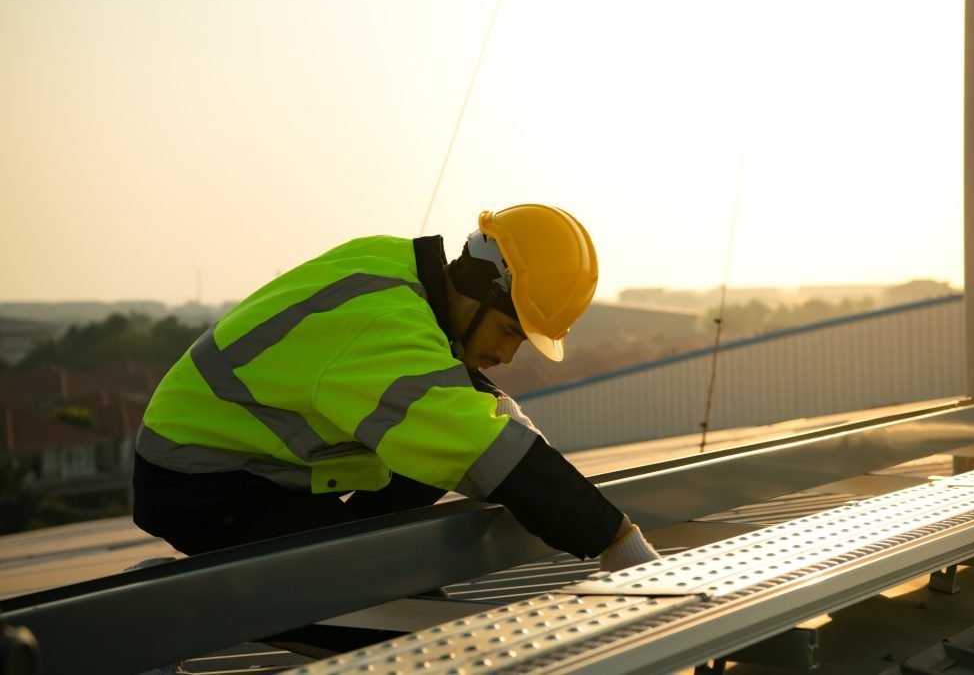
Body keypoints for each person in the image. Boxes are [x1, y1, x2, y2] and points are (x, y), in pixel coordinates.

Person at [132, 204, 659, 573]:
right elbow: (485, 448)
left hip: (240, 455)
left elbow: (480, 415)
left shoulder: (395, 264)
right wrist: (617, 542)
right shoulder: (387, 331)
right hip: (204, 479)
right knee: (368, 613)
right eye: (508, 331)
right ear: (478, 291)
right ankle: (153, 616)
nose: (505, 356)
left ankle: (353, 555)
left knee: (446, 450)